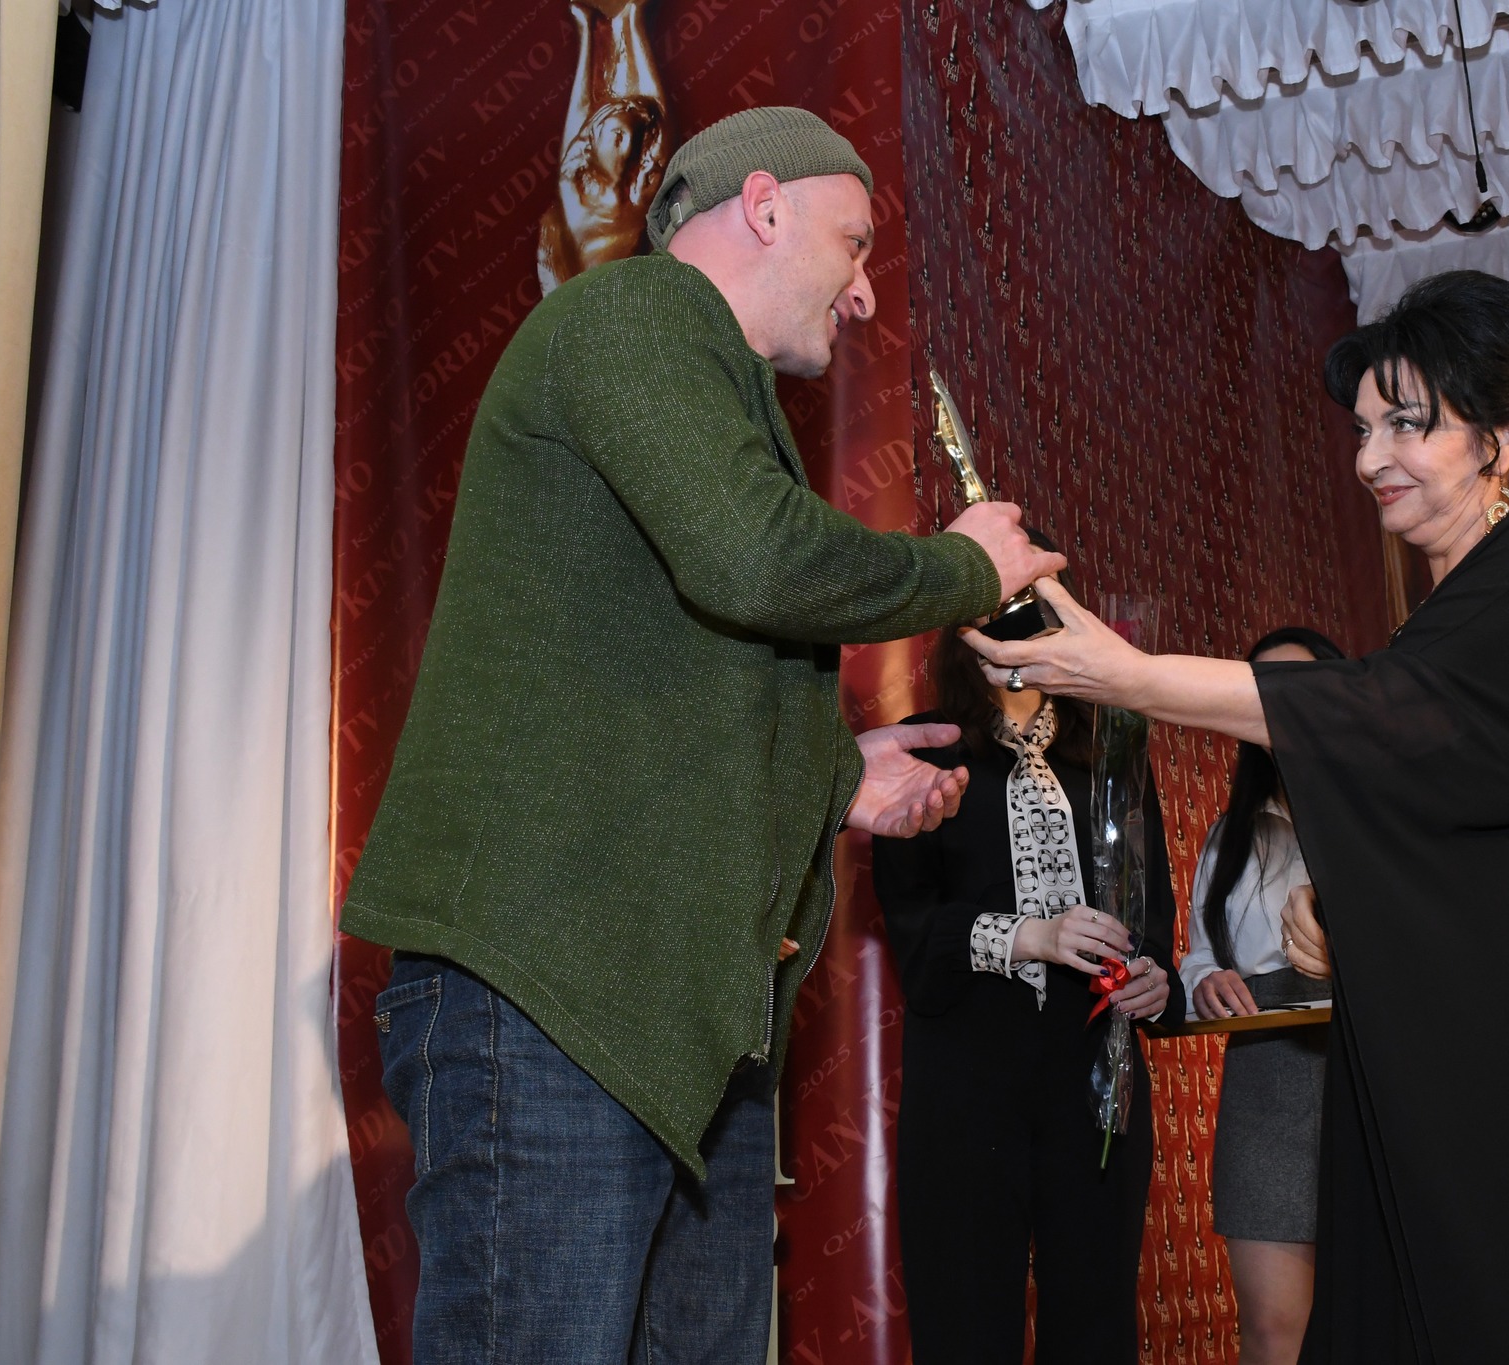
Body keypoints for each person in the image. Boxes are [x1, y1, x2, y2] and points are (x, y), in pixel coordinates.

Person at [342, 107, 1066, 1365]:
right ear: (765, 206)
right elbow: (755, 562)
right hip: (557, 997)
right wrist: (961, 568)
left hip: (671, 1019)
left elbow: (672, 664)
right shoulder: (636, 314)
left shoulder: (706, 388)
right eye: (853, 243)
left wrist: (833, 778)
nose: (862, 292)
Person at [962, 271, 1509, 1364]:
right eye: (1362, 428)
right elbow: (1450, 805)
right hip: (1486, 1083)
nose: (1368, 458)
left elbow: (1385, 716)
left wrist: (1129, 674)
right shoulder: (1450, 615)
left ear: (1500, 438)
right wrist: (1340, 908)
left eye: (1406, 424)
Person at [872, 562, 1184, 1365]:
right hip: (967, 1083)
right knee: (965, 1323)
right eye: (999, 605)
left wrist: (1155, 981)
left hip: (1096, 1081)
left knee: (1096, 1323)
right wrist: (1033, 936)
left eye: (1035, 605)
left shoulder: (1113, 750)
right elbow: (915, 939)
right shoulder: (926, 748)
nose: (1016, 626)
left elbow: (1151, 920)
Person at [1179, 626, 1343, 1365]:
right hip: (1268, 1077)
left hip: (1368, 1066)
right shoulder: (1233, 835)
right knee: (1277, 1329)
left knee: (1382, 1308)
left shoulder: (1385, 811)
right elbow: (1200, 957)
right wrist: (1205, 980)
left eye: (1297, 684)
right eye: (1261, 689)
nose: (1278, 702)